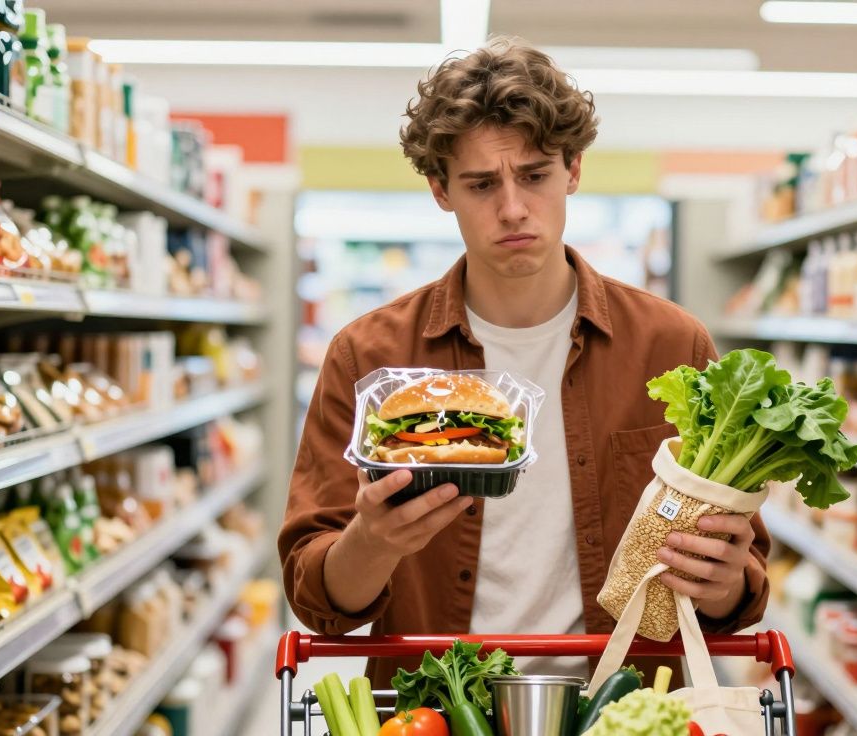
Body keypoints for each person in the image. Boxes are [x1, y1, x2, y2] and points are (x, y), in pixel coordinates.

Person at [278, 37, 771, 686]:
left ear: (572, 170)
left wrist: (722, 581)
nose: (512, 208)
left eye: (535, 175)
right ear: (439, 190)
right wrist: (372, 542)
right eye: (481, 184)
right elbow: (318, 604)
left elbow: (738, 594)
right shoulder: (370, 356)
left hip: (622, 714)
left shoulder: (672, 347)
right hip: (436, 712)